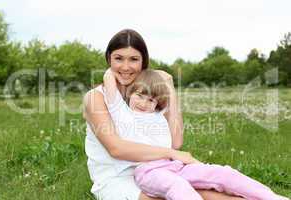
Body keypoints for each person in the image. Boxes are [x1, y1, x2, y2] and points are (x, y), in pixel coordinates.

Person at [83, 28, 247, 200]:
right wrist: (172, 155)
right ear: (109, 58)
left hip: (155, 171)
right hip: (117, 180)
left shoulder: (148, 99)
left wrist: (169, 88)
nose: (125, 66)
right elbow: (116, 149)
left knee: (212, 190)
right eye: (118, 58)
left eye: (133, 59)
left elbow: (175, 142)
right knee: (186, 195)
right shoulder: (95, 97)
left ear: (143, 62)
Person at [102, 68, 289, 200]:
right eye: (139, 95)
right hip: (148, 172)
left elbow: (171, 111)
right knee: (179, 187)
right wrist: (137, 68)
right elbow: (109, 75)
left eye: (150, 99)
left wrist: (167, 83)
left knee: (223, 173)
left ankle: (273, 197)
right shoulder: (122, 114)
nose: (144, 103)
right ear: (129, 94)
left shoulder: (157, 114)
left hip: (176, 166)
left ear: (156, 103)